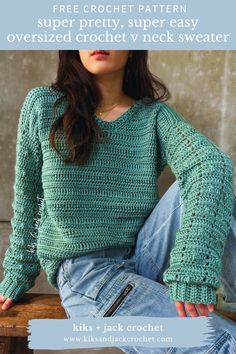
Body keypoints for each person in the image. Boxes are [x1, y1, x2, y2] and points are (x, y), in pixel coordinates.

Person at [0, 50, 235, 353]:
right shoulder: (45, 105)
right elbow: (29, 197)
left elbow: (209, 163)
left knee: (204, 180)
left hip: (145, 255)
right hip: (88, 277)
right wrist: (18, 273)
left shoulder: (153, 116)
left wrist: (192, 265)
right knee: (222, 343)